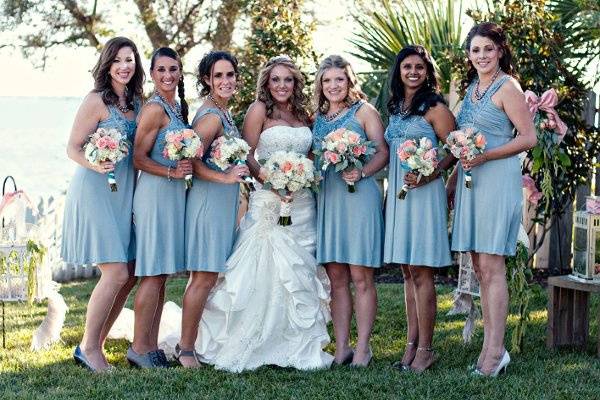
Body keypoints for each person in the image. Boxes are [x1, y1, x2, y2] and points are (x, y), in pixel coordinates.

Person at [196, 55, 333, 372]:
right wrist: (271, 182)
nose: (282, 86)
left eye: (288, 80)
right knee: (263, 270)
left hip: (301, 202)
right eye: (275, 80)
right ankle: (257, 339)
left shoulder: (302, 113)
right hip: (269, 200)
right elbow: (248, 156)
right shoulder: (258, 110)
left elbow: (309, 153)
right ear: (266, 83)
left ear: (295, 83)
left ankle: (297, 342)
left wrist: (303, 176)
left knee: (300, 269)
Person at [449, 22, 537, 377]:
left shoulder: (507, 86)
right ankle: (489, 349)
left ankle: (495, 351)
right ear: (469, 56)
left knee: (493, 266)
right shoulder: (471, 89)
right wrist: (453, 180)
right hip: (471, 184)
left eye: (488, 48)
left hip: (497, 181)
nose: (482, 55)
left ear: (500, 50)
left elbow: (528, 137)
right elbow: (463, 144)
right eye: (475, 50)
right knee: (481, 268)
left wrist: (487, 157)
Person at [61, 36, 144, 372]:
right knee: (116, 271)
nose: (124, 66)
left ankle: (94, 343)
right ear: (107, 65)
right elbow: (72, 147)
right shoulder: (95, 100)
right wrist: (96, 163)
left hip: (124, 193)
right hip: (95, 189)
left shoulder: (138, 102)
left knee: (130, 273)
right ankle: (90, 348)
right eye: (118, 60)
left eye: (130, 60)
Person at [312, 55, 389, 367]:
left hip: (360, 197)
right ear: (321, 84)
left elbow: (382, 151)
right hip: (329, 198)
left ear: (349, 81)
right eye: (327, 80)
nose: (333, 86)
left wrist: (363, 172)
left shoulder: (364, 111)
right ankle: (342, 346)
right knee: (336, 276)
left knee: (360, 276)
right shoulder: (316, 119)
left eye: (339, 80)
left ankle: (363, 348)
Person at [383, 45, 455, 372]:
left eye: (419, 67)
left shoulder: (435, 107)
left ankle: (426, 348)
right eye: (407, 66)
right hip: (399, 194)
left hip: (424, 195)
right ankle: (411, 344)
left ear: (427, 72)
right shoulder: (396, 106)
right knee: (407, 270)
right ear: (399, 71)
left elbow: (456, 148)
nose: (413, 72)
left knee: (422, 271)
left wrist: (431, 173)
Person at [176, 51, 248, 368]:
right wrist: (225, 176)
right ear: (207, 80)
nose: (225, 81)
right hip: (208, 203)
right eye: (218, 76)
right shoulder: (211, 117)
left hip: (220, 203)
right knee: (203, 278)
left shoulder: (223, 113)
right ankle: (186, 349)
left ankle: (192, 343)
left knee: (205, 277)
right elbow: (190, 161)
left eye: (229, 74)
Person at [128, 47, 192, 368]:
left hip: (172, 197)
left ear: (180, 73)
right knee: (152, 273)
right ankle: (139, 349)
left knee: (162, 274)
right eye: (161, 70)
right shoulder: (154, 109)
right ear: (152, 74)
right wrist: (170, 171)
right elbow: (138, 158)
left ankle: (151, 346)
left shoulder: (176, 107)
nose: (168, 75)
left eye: (174, 69)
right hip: (154, 196)